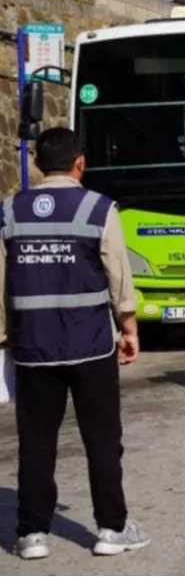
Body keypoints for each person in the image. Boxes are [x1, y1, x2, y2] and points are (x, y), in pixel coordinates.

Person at [0, 127, 149, 560]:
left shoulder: (10, 211)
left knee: (36, 441)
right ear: (80, 162)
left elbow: (2, 278)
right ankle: (111, 528)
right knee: (102, 438)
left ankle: (31, 534)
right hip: (90, 345)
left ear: (36, 163)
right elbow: (118, 273)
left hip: (33, 347)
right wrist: (129, 327)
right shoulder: (98, 208)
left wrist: (6, 331)